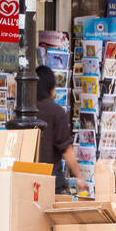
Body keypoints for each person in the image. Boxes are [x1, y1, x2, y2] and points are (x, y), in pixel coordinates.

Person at [37, 64, 85, 194]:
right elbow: (66, 149)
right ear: (50, 87)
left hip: (27, 177)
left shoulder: (25, 112)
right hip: (51, 179)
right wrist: (79, 176)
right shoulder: (57, 112)